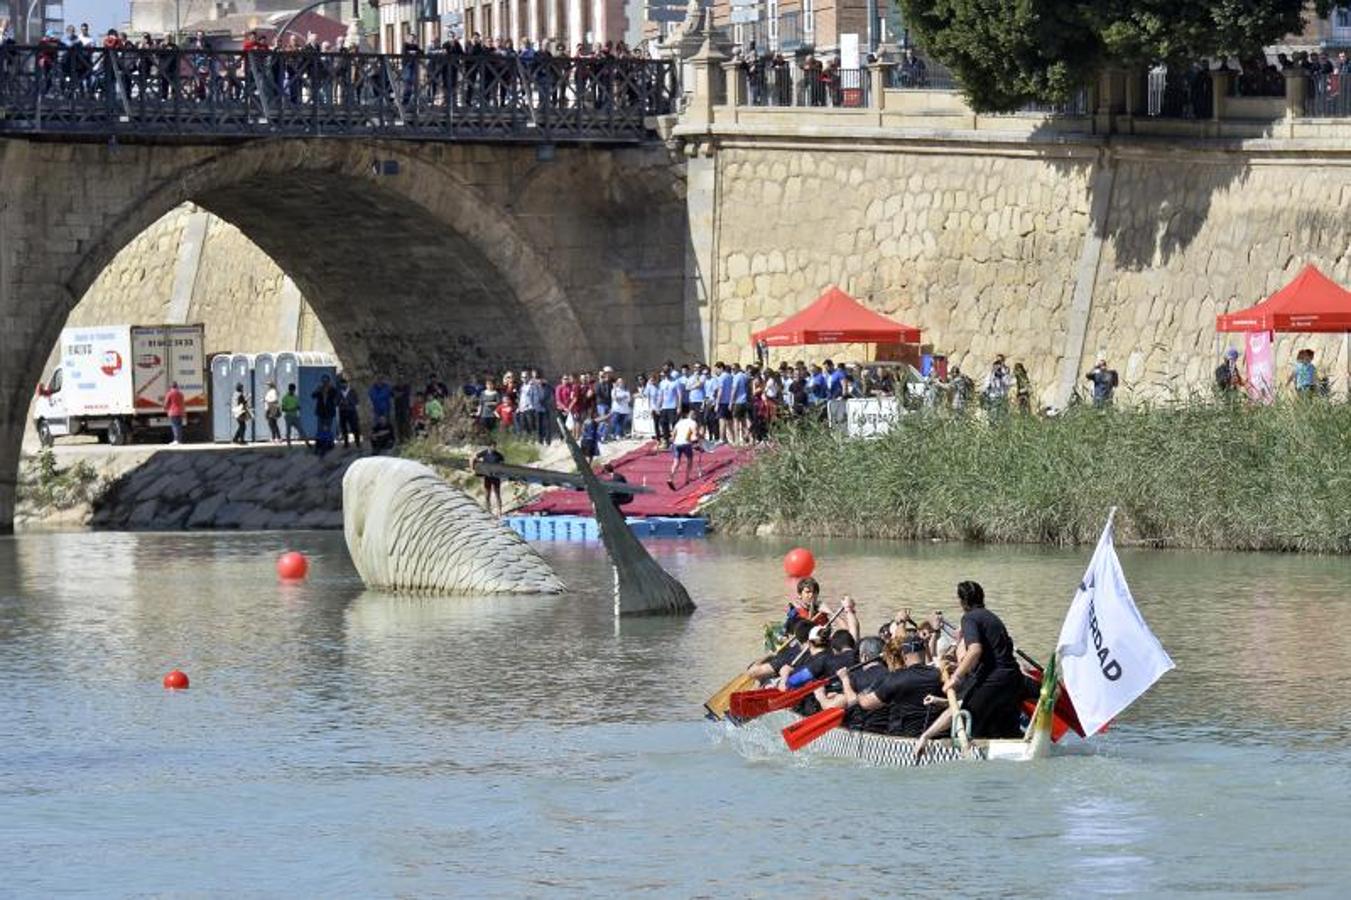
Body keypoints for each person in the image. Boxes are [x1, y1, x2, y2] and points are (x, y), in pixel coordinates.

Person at [941, 580, 1024, 739]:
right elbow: (994, 652)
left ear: (962, 601)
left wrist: (956, 677)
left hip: (994, 679)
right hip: (1014, 679)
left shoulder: (969, 618)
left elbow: (975, 650)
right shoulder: (992, 617)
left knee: (966, 720)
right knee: (1006, 729)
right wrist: (959, 665)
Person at [839, 633, 941, 736]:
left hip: (908, 740)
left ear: (904, 655)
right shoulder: (940, 674)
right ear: (924, 652)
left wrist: (857, 692)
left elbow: (866, 704)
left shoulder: (897, 678)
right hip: (939, 737)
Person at [666, 405, 702, 490]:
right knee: (690, 460)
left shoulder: (680, 422)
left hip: (676, 443)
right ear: (694, 416)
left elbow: (673, 434)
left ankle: (670, 478)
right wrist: (698, 443)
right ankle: (687, 478)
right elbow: (694, 435)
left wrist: (672, 442)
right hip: (686, 444)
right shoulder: (693, 423)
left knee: (676, 462)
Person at [473, 439, 505, 517]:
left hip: (495, 476)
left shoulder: (499, 455)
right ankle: (488, 510)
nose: (494, 448)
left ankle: (499, 511)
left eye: (495, 446)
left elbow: (503, 465)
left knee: (497, 494)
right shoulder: (484, 453)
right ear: (489, 446)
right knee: (487, 494)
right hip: (487, 476)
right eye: (493, 446)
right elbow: (473, 458)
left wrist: (501, 473)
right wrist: (473, 469)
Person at [311, 374, 339, 455]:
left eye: (326, 382)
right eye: (324, 382)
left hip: (329, 412)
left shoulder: (333, 390)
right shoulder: (319, 389)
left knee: (327, 429)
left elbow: (336, 399)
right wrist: (318, 390)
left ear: (329, 382)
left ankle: (328, 445)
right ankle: (318, 446)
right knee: (320, 430)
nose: (325, 383)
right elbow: (313, 396)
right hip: (321, 412)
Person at [337, 378, 362, 448]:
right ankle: (346, 443)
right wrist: (340, 402)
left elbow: (356, 401)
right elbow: (336, 402)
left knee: (354, 427)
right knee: (344, 427)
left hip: (351, 411)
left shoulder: (352, 391)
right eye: (342, 384)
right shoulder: (339, 392)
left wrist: (349, 402)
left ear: (347, 384)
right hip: (342, 411)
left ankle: (357, 442)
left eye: (344, 384)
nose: (343, 385)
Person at [163, 380, 185, 444]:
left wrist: (165, 408)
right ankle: (179, 440)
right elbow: (182, 403)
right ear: (177, 386)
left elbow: (166, 403)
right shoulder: (180, 393)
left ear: (171, 387)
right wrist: (183, 412)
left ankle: (176, 440)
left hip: (172, 412)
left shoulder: (169, 393)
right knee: (179, 426)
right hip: (180, 411)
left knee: (174, 426)